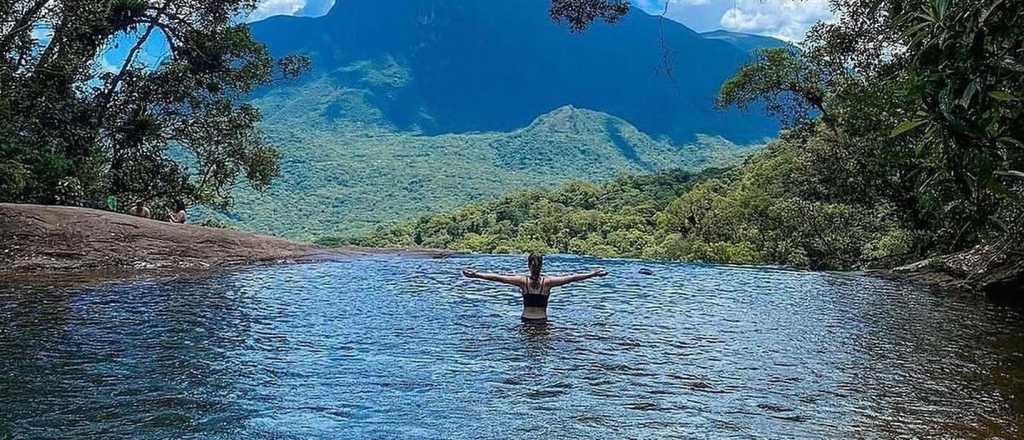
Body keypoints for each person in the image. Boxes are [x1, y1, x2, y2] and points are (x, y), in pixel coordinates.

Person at [463, 253, 608, 321]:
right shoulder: (548, 282)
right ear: (542, 265)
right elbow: (572, 278)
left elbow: (498, 278)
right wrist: (594, 274)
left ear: (528, 265)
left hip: (525, 321)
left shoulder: (522, 281)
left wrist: (476, 274)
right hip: (542, 322)